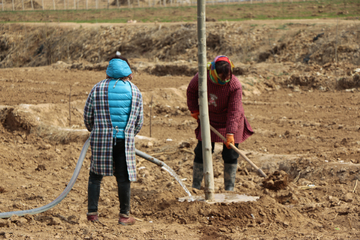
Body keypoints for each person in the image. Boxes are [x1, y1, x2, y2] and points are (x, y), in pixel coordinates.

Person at [83, 51, 143, 225]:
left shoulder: (98, 88)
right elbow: (139, 120)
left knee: (95, 176)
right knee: (123, 177)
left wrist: (95, 131)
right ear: (128, 72)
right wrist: (131, 134)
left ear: (108, 71)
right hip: (124, 140)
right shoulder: (134, 91)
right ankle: (124, 216)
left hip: (101, 139)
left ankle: (92, 214)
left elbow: (88, 115)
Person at [186, 55, 254, 191]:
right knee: (202, 151)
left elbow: (234, 111)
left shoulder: (234, 85)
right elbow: (191, 91)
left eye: (226, 78)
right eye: (221, 78)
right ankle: (196, 186)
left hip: (230, 121)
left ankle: (229, 188)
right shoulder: (202, 77)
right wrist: (194, 109)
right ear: (213, 72)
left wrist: (230, 133)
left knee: (230, 153)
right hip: (208, 118)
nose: (224, 81)